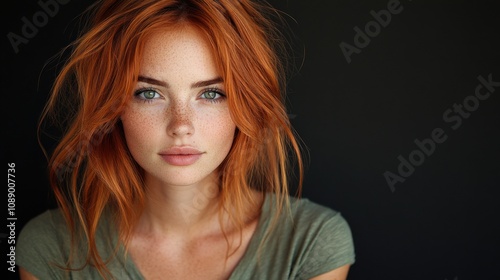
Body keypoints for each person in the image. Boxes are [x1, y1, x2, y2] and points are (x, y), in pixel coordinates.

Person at [17, 0, 355, 279]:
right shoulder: (50, 248)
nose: (181, 126)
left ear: (245, 105)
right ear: (114, 106)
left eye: (210, 93)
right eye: (149, 93)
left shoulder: (311, 242)